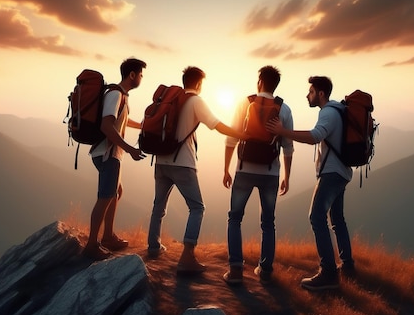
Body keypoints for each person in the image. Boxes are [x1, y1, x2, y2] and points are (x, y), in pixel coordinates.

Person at [147, 66, 245, 273]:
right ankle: (187, 256)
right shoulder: (196, 101)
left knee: (158, 205)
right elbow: (216, 125)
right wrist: (241, 134)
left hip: (161, 161)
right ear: (199, 84)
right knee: (197, 207)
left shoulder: (172, 100)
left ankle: (153, 247)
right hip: (183, 164)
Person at [267, 75, 354, 291]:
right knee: (337, 219)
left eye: (311, 92)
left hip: (332, 174)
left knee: (316, 217)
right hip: (342, 172)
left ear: (321, 94)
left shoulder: (327, 113)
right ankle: (348, 266)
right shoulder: (339, 111)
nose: (308, 95)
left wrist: (282, 132)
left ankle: (328, 273)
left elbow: (315, 136)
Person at [222, 66, 294, 285]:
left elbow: (231, 138)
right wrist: (287, 177)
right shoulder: (284, 109)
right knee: (268, 223)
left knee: (235, 218)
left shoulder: (245, 103)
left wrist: (225, 168)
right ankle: (265, 270)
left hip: (244, 170)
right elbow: (288, 146)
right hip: (271, 173)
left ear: (260, 81)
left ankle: (235, 271)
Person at [84, 58, 147, 260]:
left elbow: (122, 121)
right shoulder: (115, 94)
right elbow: (106, 125)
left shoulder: (121, 96)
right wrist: (129, 149)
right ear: (132, 75)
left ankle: (108, 236)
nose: (141, 78)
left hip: (111, 154)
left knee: (115, 193)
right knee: (105, 197)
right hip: (107, 154)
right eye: (141, 74)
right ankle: (92, 245)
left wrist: (145, 126)